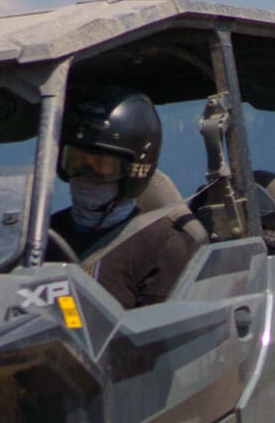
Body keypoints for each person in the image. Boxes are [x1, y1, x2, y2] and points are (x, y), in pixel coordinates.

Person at [45, 93, 200, 310]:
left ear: (134, 172)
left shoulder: (163, 245)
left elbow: (160, 337)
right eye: (76, 161)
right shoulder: (43, 236)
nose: (85, 174)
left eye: (101, 165)